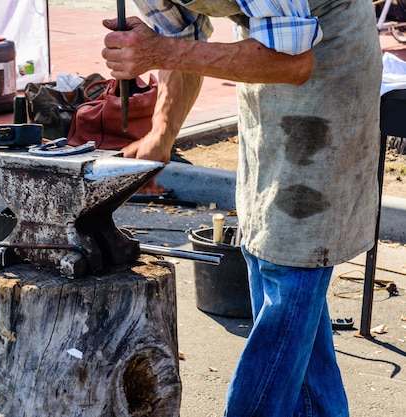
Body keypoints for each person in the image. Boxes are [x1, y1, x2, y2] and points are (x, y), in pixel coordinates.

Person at [103, 1, 382, 415]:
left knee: (292, 263)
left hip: (326, 69)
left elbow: (292, 61)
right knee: (264, 250)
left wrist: (156, 51)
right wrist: (161, 135)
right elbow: (182, 39)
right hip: (262, 58)